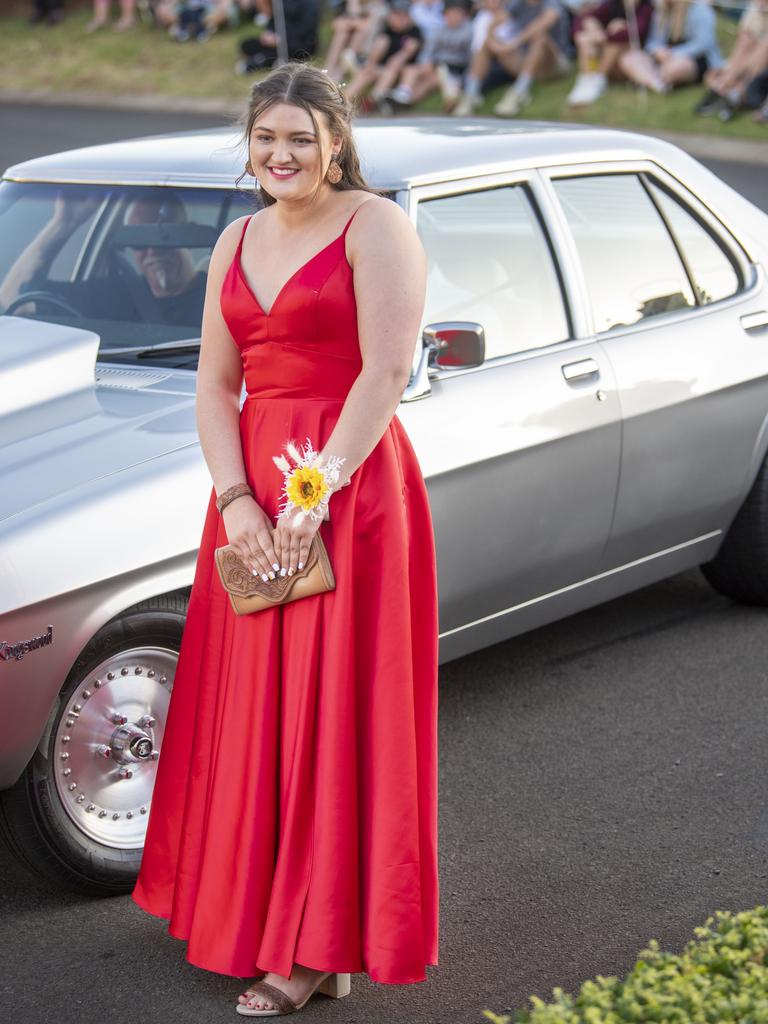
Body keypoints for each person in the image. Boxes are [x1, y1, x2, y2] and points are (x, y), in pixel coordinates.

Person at [130, 60, 440, 1015]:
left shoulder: (377, 227)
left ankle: (312, 950)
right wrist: (238, 500)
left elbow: (384, 371)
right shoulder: (235, 239)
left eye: (301, 139)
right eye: (266, 138)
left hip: (348, 489)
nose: (281, 155)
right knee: (255, 709)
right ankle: (265, 918)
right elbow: (215, 385)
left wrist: (316, 495)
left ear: (335, 143)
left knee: (329, 714)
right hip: (252, 489)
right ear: (250, 144)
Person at [0, 190, 207, 327]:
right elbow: (13, 300)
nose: (152, 250)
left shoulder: (219, 298)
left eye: (164, 237)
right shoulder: (112, 296)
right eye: (138, 239)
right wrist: (63, 224)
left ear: (189, 233)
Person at [453, 0, 571, 115]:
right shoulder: (517, 3)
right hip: (526, 61)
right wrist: (494, 43)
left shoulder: (552, 3)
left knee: (540, 37)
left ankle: (520, 91)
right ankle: (471, 94)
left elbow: (544, 23)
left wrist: (514, 43)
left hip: (555, 64)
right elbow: (494, 23)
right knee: (486, 44)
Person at [384, 0, 475, 112]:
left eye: (457, 13)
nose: (453, 17)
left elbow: (470, 56)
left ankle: (406, 100)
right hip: (437, 65)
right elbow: (428, 51)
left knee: (432, 80)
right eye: (450, 13)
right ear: (445, 14)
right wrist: (426, 62)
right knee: (414, 69)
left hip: (456, 68)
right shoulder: (439, 30)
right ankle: (403, 95)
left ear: (463, 15)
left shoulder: (470, 30)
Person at [618, 0, 723, 94]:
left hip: (694, 59)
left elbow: (704, 43)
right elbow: (652, 42)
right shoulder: (660, 12)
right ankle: (657, 84)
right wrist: (657, 51)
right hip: (663, 60)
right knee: (629, 59)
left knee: (675, 68)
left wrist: (673, 53)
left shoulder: (699, 9)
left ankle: (646, 78)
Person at [566, 0, 653, 105]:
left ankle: (598, 80)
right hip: (607, 52)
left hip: (630, 59)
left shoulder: (646, 8)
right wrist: (592, 28)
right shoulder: (612, 4)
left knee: (614, 44)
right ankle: (586, 79)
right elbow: (581, 21)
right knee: (585, 37)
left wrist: (606, 36)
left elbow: (639, 32)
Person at [341, 0, 425, 107]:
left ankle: (373, 101)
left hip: (403, 69)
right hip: (383, 68)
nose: (400, 19)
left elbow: (409, 51)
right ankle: (343, 100)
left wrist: (397, 59)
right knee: (366, 73)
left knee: (390, 72)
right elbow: (377, 53)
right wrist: (371, 64)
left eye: (404, 16)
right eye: (397, 15)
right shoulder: (386, 30)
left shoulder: (414, 31)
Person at [694, 0, 768, 120]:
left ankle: (727, 90)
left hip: (759, 72)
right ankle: (727, 87)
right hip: (747, 64)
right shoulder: (755, 7)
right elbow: (745, 34)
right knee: (746, 40)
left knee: (764, 46)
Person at [236, 0, 319, 71]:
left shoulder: (309, 3)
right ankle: (266, 58)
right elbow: (274, 20)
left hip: (300, 43)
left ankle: (259, 61)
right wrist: (269, 33)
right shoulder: (280, 2)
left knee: (287, 50)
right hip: (278, 40)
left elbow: (306, 29)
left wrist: (281, 39)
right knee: (246, 45)